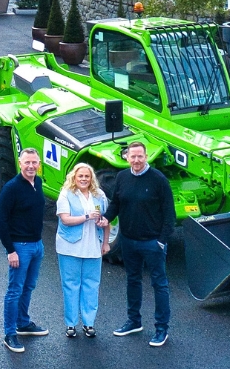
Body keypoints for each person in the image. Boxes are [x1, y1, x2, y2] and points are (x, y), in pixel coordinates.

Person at [104, 140, 175, 347]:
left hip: (152, 243)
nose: (136, 160)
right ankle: (134, 321)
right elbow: (116, 203)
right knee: (132, 280)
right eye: (132, 156)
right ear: (126, 157)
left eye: (140, 156)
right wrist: (106, 218)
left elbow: (169, 215)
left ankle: (162, 329)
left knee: (159, 285)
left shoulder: (158, 180)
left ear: (146, 157)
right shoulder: (122, 177)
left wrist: (161, 242)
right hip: (129, 241)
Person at [0, 147, 49, 352]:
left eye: (34, 162)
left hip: (37, 245)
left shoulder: (38, 183)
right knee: (14, 291)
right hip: (20, 247)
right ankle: (10, 334)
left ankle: (23, 323)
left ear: (38, 164)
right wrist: (10, 250)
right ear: (20, 163)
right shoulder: (11, 188)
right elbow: (1, 221)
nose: (31, 166)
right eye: (27, 162)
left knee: (28, 287)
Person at [56, 163, 110, 338]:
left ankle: (89, 323)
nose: (84, 179)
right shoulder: (66, 194)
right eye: (81, 176)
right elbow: (65, 220)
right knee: (71, 285)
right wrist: (87, 217)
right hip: (69, 246)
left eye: (87, 176)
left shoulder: (99, 195)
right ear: (74, 177)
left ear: (91, 178)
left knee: (91, 285)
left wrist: (106, 242)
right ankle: (71, 324)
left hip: (93, 245)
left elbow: (107, 220)